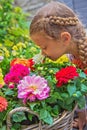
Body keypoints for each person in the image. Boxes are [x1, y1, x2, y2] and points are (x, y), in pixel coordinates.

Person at [29, 1, 87, 130]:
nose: (42, 53)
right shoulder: (71, 56)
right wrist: (83, 113)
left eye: (44, 47)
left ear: (65, 38)